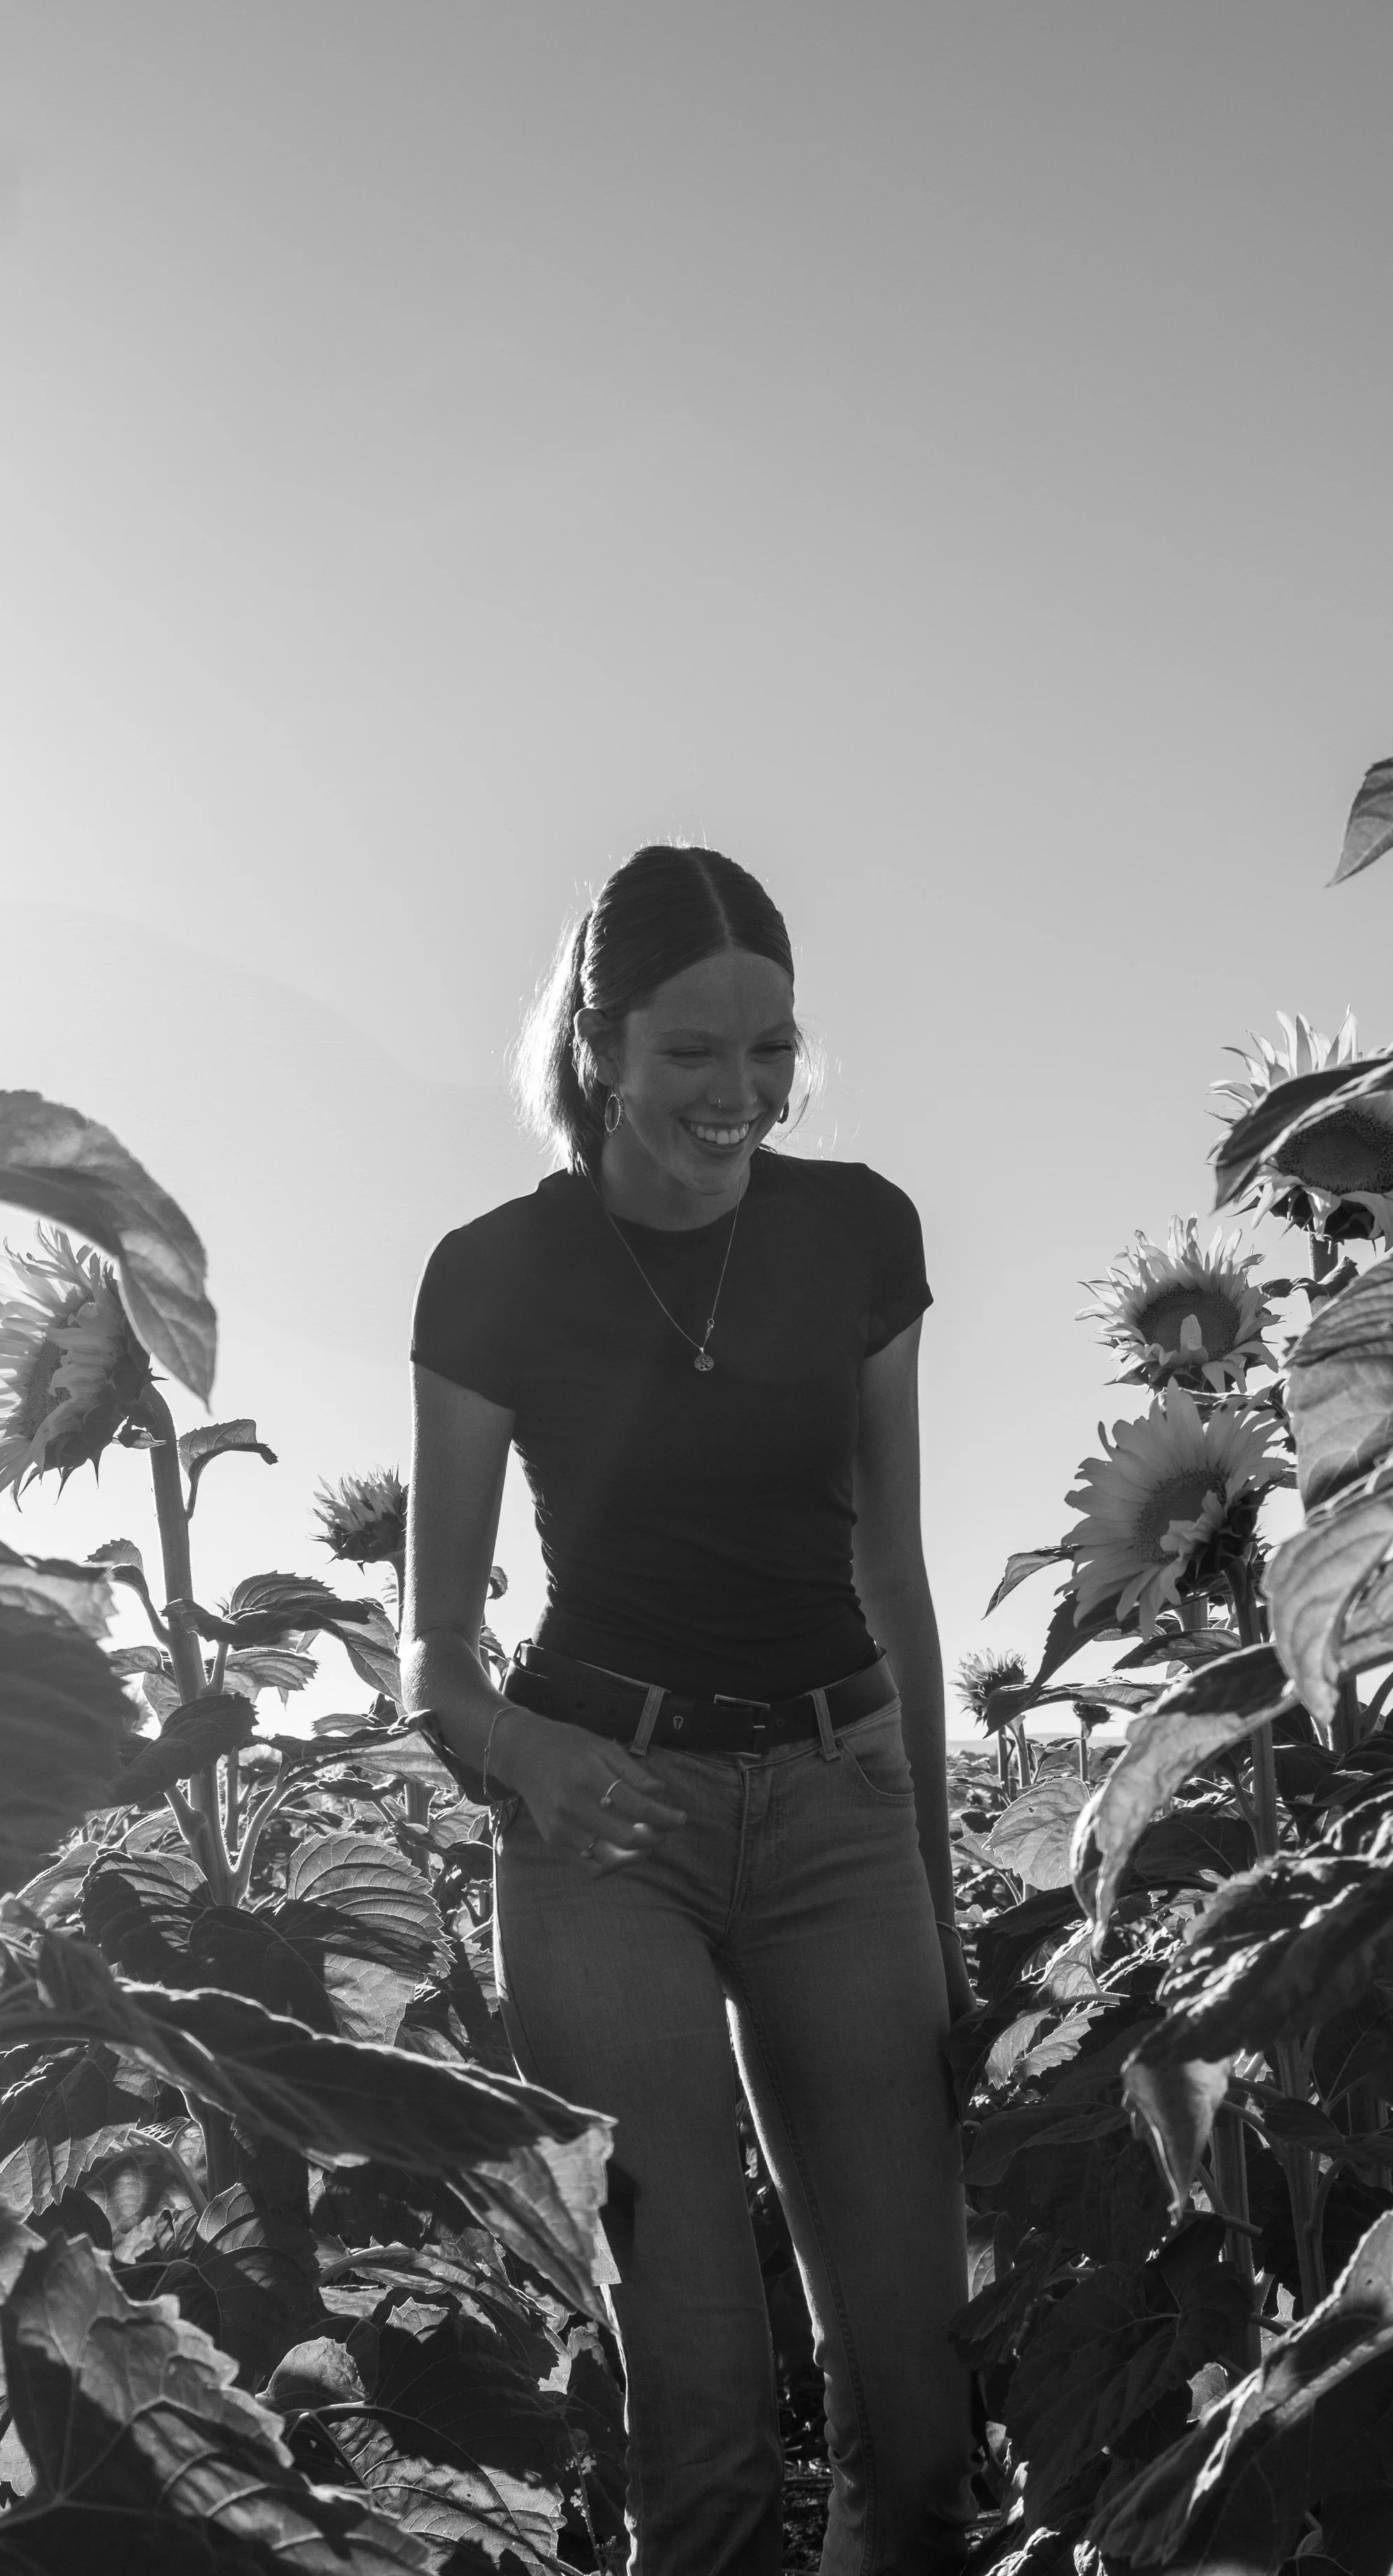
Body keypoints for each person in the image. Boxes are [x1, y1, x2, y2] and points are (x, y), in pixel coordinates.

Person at [402, 843, 975, 2576]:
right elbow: (426, 1660)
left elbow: (897, 1581)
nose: (737, 1098)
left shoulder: (861, 1233)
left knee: (922, 2408)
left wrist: (936, 1894)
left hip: (836, 1809)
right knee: (707, 2419)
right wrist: (525, 1753)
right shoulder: (493, 1273)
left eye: (769, 1054)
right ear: (598, 1046)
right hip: (605, 1835)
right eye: (692, 1057)